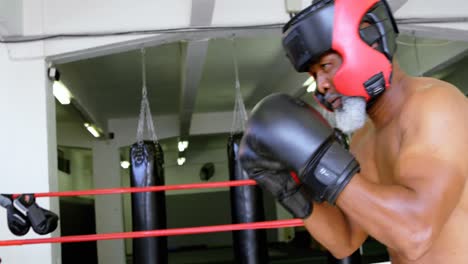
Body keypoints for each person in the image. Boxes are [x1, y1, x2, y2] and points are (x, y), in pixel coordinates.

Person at [239, 0, 468, 263]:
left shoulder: (434, 106)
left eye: (325, 67)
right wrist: (289, 189)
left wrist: (321, 159)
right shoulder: (363, 138)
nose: (321, 85)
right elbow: (345, 239)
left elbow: (415, 234)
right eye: (314, 75)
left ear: (368, 41)